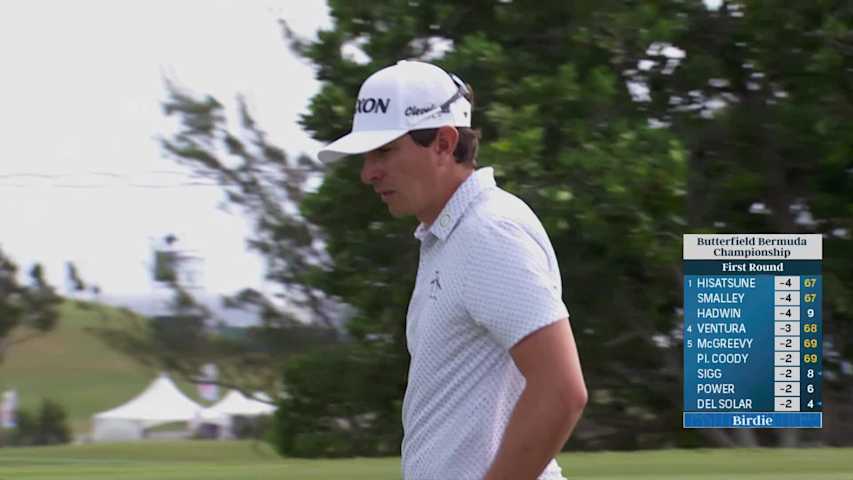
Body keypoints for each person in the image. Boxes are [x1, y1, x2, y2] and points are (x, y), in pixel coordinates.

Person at [318, 60, 587, 480]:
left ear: (444, 142)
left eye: (384, 150)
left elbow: (561, 391)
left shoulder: (488, 232)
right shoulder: (451, 235)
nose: (368, 173)